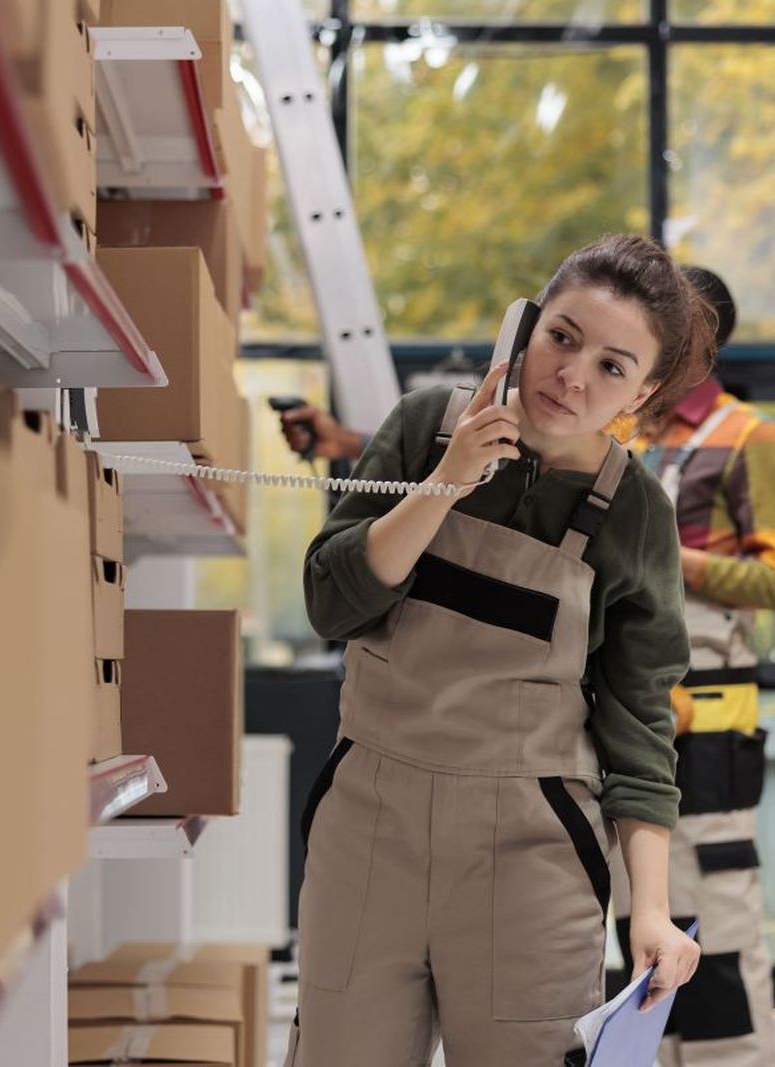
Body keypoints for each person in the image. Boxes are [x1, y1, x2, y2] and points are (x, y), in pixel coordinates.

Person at [288, 234, 713, 1067]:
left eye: (613, 366)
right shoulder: (423, 428)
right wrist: (445, 481)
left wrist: (651, 909)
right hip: (370, 819)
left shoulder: (633, 514)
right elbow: (330, 603)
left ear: (646, 388)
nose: (573, 376)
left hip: (531, 845)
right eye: (562, 337)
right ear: (525, 325)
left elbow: (637, 718)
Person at [610, 266, 775, 1067]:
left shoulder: (750, 439)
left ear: (701, 341)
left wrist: (673, 557)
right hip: (629, 723)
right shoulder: (619, 434)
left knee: (718, 941)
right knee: (635, 937)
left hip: (710, 739)